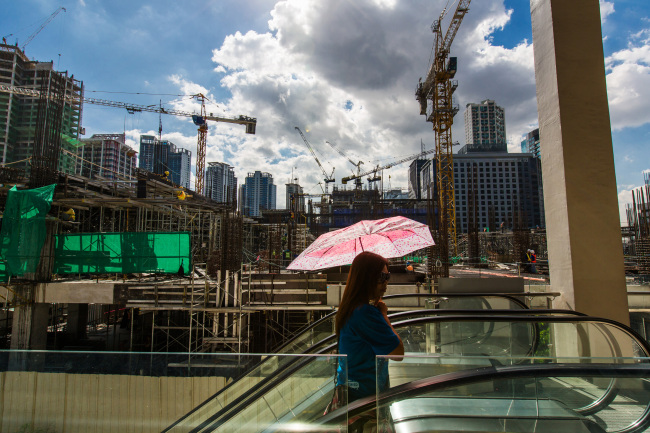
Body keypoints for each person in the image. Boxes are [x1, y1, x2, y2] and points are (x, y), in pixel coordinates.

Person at [335, 251, 404, 404]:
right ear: (366, 278)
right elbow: (398, 353)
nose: (386, 282)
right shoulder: (365, 313)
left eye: (388, 276)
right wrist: (384, 315)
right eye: (381, 277)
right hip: (365, 399)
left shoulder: (351, 308)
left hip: (352, 394)